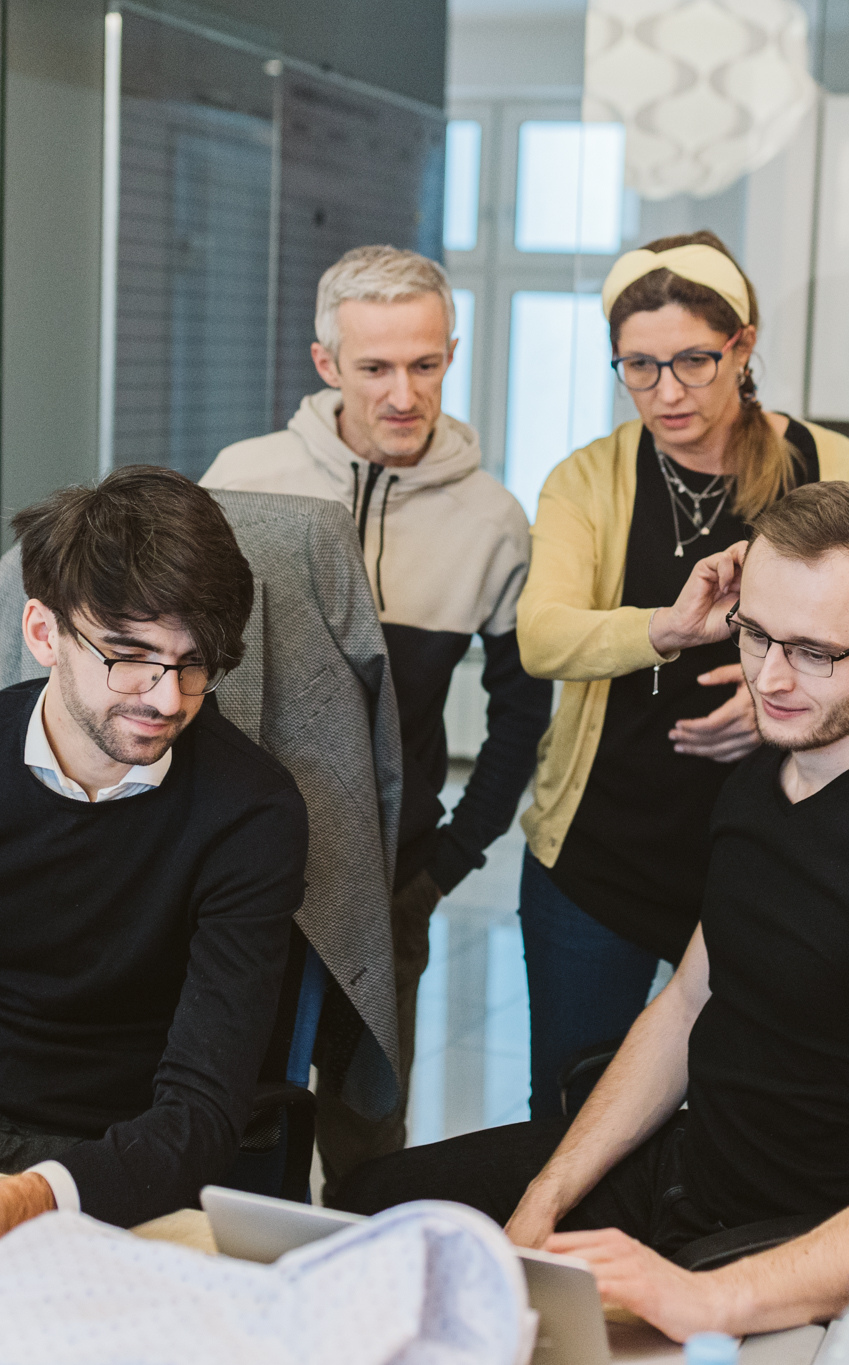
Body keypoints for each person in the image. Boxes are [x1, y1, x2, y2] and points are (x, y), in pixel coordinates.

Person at [334, 482, 849, 1341]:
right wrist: (547, 1190)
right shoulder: (763, 778)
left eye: (812, 651)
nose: (770, 678)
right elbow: (687, 1004)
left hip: (799, 1238)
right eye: (757, 632)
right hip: (691, 1173)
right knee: (375, 1210)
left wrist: (706, 1299)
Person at [0, 466, 308, 1284]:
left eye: (193, 663)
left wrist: (22, 1200)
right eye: (129, 657)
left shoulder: (252, 813)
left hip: (121, 1162)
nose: (166, 698)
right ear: (41, 631)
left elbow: (199, 1115)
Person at [516, 230, 849, 1119]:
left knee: (741, 1113)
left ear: (744, 347)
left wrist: (778, 711)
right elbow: (542, 634)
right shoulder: (588, 479)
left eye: (692, 361)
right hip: (598, 860)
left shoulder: (828, 468)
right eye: (637, 367)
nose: (665, 392)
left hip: (773, 858)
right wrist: (666, 629)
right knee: (573, 1110)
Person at [202, 244, 550, 1174]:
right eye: (376, 368)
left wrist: (444, 863)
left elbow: (523, 715)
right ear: (327, 366)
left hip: (393, 873)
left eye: (427, 364)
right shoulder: (245, 479)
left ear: (451, 354)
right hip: (241, 867)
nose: (405, 393)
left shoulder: (492, 521)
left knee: (366, 1131)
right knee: (227, 1104)